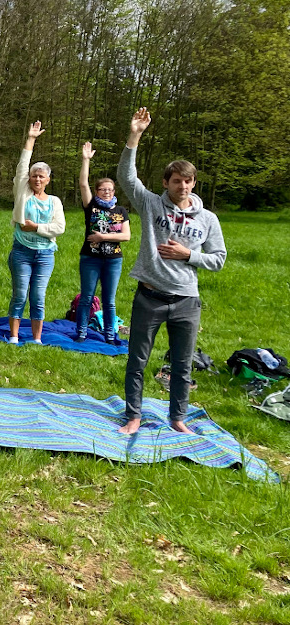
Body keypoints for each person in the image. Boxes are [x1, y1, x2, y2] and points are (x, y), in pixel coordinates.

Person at [117, 108, 226, 435]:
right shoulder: (151, 204)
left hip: (186, 303)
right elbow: (126, 177)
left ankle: (177, 419)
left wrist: (188, 254)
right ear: (166, 183)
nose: (183, 185)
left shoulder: (207, 219)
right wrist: (134, 135)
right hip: (149, 296)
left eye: (188, 181)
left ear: (193, 183)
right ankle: (133, 416)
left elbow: (218, 258)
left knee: (182, 365)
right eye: (177, 180)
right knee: (137, 361)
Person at [7, 121, 65, 344]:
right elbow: (22, 166)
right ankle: (14, 336)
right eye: (34, 175)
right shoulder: (23, 193)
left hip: (45, 255)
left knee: (38, 297)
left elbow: (59, 228)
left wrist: (36, 228)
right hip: (22, 251)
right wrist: (30, 139)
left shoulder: (55, 202)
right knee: (20, 294)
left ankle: (36, 339)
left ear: (48, 180)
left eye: (42, 176)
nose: (37, 179)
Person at [75, 141, 131, 344]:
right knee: (87, 298)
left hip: (113, 260)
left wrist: (102, 237)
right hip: (90, 258)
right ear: (97, 191)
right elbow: (83, 183)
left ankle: (110, 334)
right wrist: (85, 160)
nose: (107, 192)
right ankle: (81, 333)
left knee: (109, 301)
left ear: (114, 191)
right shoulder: (91, 207)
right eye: (103, 189)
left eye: (110, 189)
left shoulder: (121, 211)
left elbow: (126, 236)